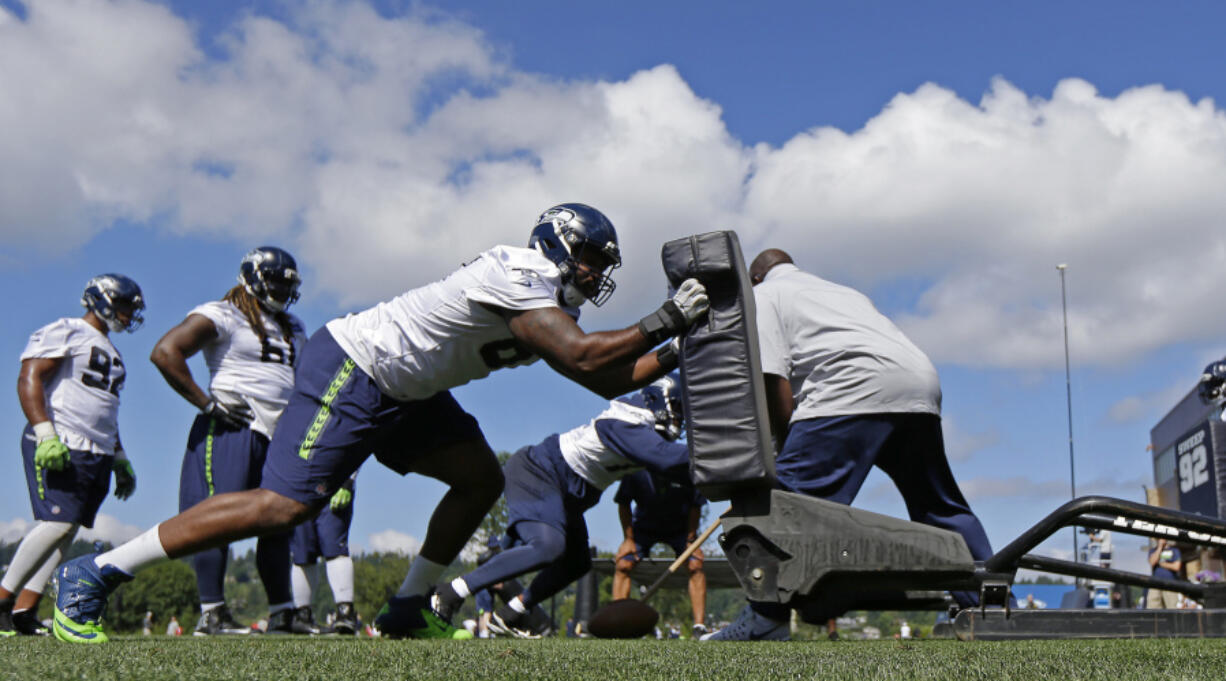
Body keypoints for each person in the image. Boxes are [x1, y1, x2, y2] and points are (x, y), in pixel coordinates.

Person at [53, 203, 708, 644]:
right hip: (357, 366)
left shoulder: (542, 299)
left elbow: (607, 375)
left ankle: (407, 607)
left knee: (479, 478)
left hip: (409, 391)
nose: (596, 274)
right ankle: (95, 573)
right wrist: (669, 318)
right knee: (284, 505)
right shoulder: (522, 273)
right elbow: (588, 355)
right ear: (563, 248)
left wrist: (682, 345)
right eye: (592, 258)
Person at [703, 249, 995, 641]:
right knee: (938, 506)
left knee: (782, 506)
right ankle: (992, 609)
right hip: (917, 385)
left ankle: (765, 620)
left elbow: (774, 378)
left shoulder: (764, 296)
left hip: (850, 388)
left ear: (756, 279)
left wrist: (778, 446)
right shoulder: (842, 292)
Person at [430, 373, 692, 638]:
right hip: (540, 471)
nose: (680, 420)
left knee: (577, 562)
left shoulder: (642, 430)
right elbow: (667, 460)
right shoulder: (626, 421)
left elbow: (681, 471)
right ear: (660, 399)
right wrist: (724, 453)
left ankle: (510, 614)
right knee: (548, 546)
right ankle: (450, 592)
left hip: (564, 491)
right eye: (680, 409)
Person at [150, 246, 307, 637]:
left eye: (286, 285)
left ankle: (283, 613)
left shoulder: (294, 326)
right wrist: (207, 403)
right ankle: (212, 612)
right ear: (252, 278)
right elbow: (166, 352)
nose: (280, 291)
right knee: (216, 519)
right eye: (273, 282)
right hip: (234, 424)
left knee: (278, 521)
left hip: (280, 433)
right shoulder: (224, 313)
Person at [0, 275, 144, 639]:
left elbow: (105, 408)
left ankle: (24, 609)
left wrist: (120, 456)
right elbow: (29, 375)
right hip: (60, 438)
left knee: (66, 532)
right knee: (57, 524)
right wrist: (44, 431)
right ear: (102, 300)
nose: (128, 315)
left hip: (96, 448)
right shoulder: (67, 330)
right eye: (125, 306)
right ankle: (2, 599)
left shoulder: (112, 351)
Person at [611, 468, 708, 638]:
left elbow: (696, 505)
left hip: (680, 530)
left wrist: (691, 540)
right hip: (644, 529)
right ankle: (618, 623)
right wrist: (628, 540)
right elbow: (623, 502)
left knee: (695, 564)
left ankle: (699, 627)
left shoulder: (685, 467)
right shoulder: (636, 469)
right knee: (623, 564)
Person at [290, 471, 360, 635]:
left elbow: (354, 446)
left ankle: (345, 612)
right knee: (302, 553)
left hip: (333, 481)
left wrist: (348, 482)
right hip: (298, 484)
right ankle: (302, 615)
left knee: (335, 548)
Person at [1146, 538, 1183, 609]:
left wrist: (1161, 564)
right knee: (1153, 606)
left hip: (1170, 583)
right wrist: (1160, 547)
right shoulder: (1153, 551)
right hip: (1155, 584)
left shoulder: (1174, 550)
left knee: (1172, 607)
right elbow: (1152, 562)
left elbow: (1176, 567)